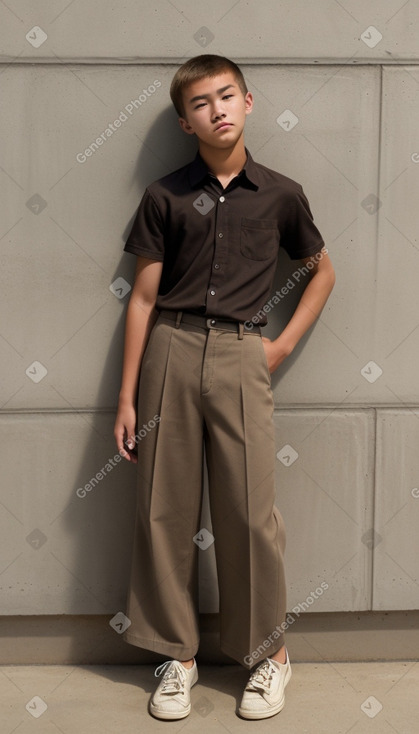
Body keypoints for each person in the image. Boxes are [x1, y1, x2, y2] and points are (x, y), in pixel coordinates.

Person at [114, 54, 335, 721]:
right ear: (186, 120)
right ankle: (176, 657)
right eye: (202, 103)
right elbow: (140, 300)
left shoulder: (281, 193)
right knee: (163, 512)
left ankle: (269, 655)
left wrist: (282, 343)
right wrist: (126, 398)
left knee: (247, 515)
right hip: (169, 353)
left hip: (244, 354)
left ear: (248, 101)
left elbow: (319, 270)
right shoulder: (163, 195)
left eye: (227, 96)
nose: (217, 109)